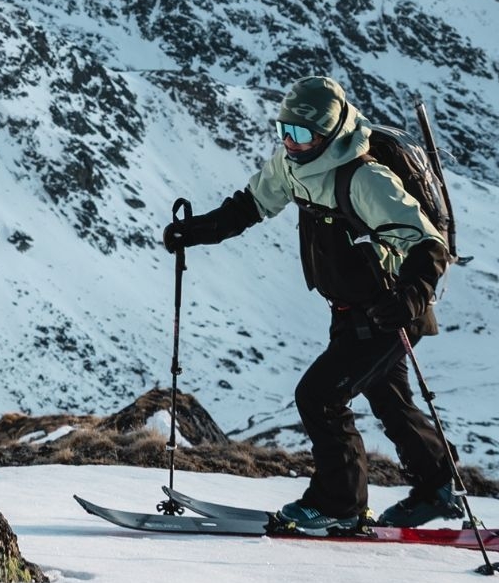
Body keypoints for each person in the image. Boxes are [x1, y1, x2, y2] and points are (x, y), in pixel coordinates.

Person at [161, 76, 462, 534]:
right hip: (350, 309)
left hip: (391, 311)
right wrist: (196, 231)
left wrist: (410, 297)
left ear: (330, 131)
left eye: (301, 133)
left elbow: (428, 245)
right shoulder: (292, 166)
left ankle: (338, 504)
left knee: (319, 397)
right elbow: (251, 205)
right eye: (283, 130)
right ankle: (438, 487)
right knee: (389, 398)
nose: (290, 141)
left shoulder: (365, 178)